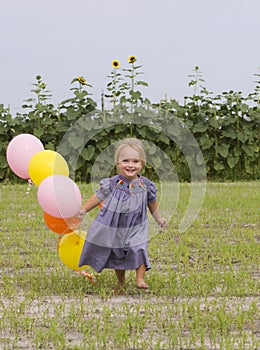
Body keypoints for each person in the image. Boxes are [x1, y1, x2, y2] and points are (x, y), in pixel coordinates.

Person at [76, 138, 167, 291]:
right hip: (116, 225)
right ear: (117, 163)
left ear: (142, 164)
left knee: (139, 247)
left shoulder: (146, 185)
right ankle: (120, 283)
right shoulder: (112, 183)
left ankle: (140, 279)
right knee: (118, 253)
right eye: (125, 161)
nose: (130, 165)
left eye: (135, 161)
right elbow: (98, 196)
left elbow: (152, 203)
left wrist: (158, 218)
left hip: (137, 224)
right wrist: (84, 209)